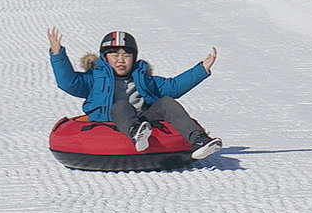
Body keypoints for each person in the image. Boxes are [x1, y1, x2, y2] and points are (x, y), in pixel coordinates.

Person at [47, 27, 222, 160]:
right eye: (114, 55)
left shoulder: (142, 78)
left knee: (167, 101)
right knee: (121, 105)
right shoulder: (94, 78)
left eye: (127, 55)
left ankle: (199, 140)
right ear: (105, 58)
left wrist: (201, 70)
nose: (121, 60)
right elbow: (68, 82)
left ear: (134, 57)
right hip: (108, 122)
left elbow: (173, 87)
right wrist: (57, 54)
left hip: (143, 121)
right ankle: (135, 132)